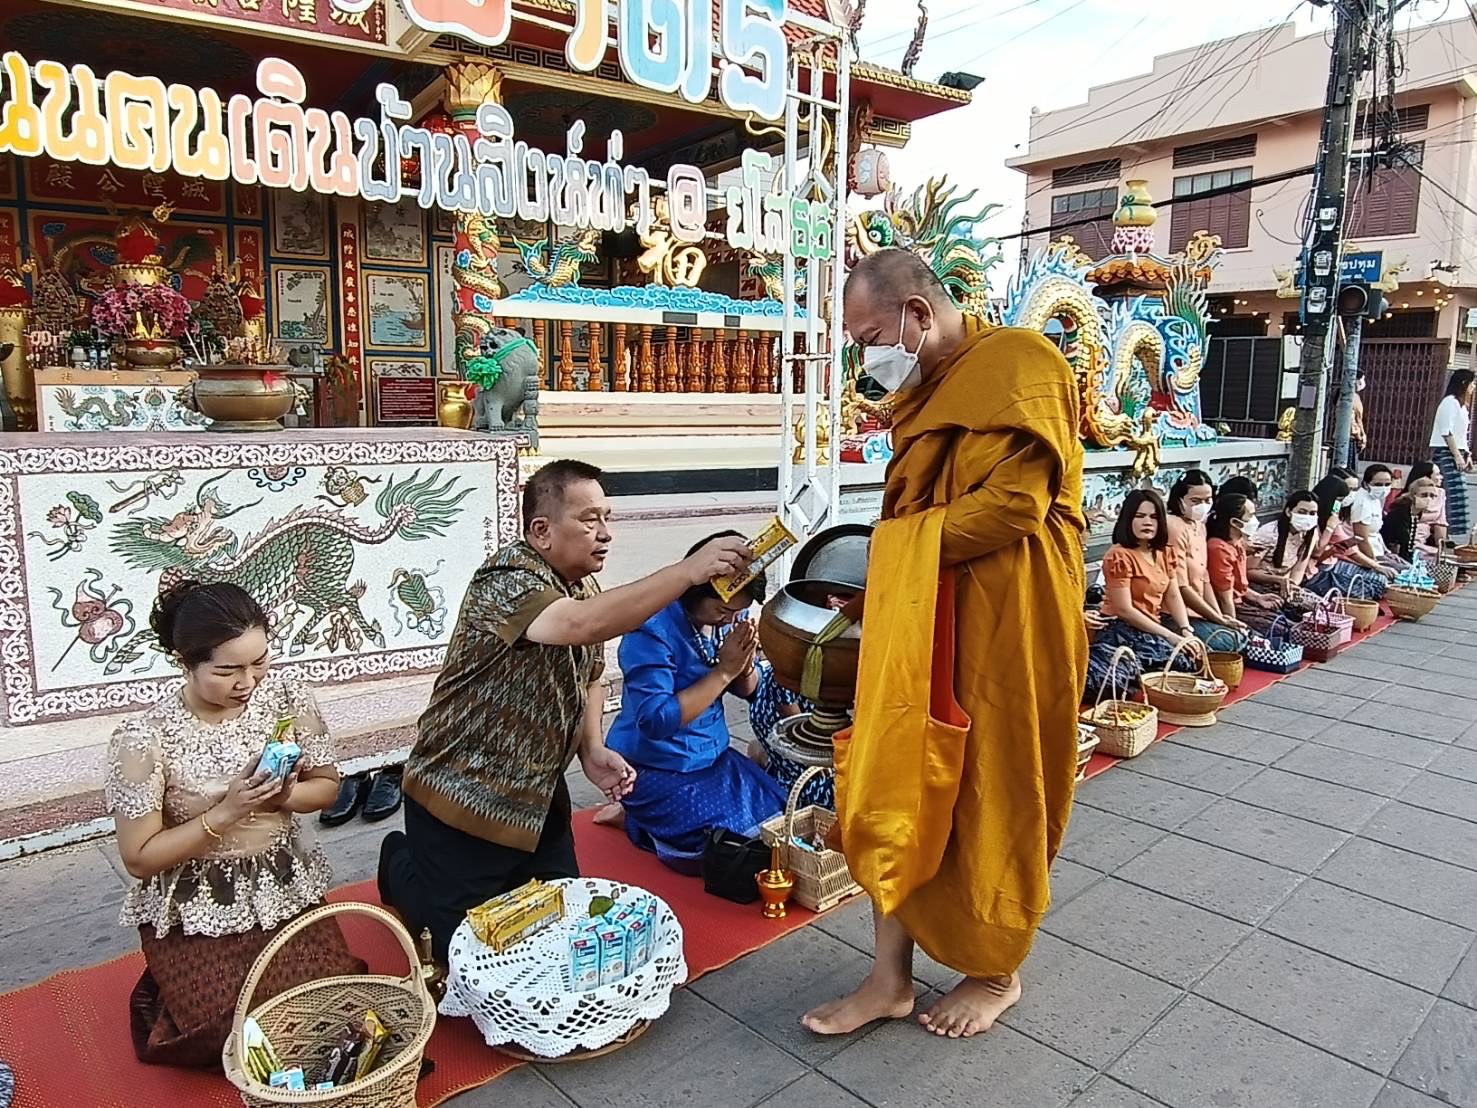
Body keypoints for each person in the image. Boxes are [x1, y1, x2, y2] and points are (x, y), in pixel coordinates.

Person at [803, 248, 1087, 1039]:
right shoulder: (923, 392)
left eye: (869, 336)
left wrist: (890, 557)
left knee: (992, 784)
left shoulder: (1020, 365)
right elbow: (917, 511)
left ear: (917, 316)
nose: (867, 356)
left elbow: (1010, 512)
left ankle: (994, 971)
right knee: (898, 773)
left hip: (1007, 624)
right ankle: (888, 979)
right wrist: (877, 580)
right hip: (924, 616)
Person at [379, 460, 750, 961]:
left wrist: (592, 749)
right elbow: (581, 627)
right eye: (589, 519)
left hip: (534, 794)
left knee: (560, 928)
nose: (605, 534)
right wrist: (687, 572)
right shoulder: (505, 580)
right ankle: (399, 865)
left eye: (608, 518)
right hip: (460, 791)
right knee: (461, 951)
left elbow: (590, 672)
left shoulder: (581, 586)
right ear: (541, 531)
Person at [106, 581, 363, 1068]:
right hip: (201, 904)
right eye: (227, 671)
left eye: (259, 661)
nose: (249, 681)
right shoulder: (144, 739)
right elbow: (139, 857)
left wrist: (285, 794)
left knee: (329, 1019)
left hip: (282, 886)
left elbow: (326, 787)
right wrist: (226, 813)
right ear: (185, 660)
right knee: (240, 1038)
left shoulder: (284, 696)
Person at [603, 534, 785, 862]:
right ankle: (637, 820)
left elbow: (751, 690)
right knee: (724, 849)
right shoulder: (650, 628)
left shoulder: (731, 617)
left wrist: (742, 667)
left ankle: (639, 818)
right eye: (722, 610)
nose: (730, 620)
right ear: (693, 590)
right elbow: (655, 721)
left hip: (711, 757)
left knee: (777, 819)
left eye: (737, 613)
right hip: (655, 764)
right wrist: (723, 673)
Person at [1087, 490, 1206, 690]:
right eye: (1140, 516)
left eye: (1154, 517)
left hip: (1153, 627)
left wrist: (1186, 630)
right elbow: (1124, 610)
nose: (1148, 523)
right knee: (1114, 681)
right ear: (1127, 520)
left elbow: (1173, 594)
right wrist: (1170, 635)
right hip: (1119, 629)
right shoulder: (1118, 555)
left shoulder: (1164, 552)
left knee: (1190, 658)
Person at [1165, 469, 1244, 641]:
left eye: (1207, 500)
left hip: (1199, 611)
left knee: (1240, 636)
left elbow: (1204, 577)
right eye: (1195, 501)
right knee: (1231, 641)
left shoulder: (1200, 525)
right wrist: (1216, 618)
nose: (1202, 505)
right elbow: (1181, 586)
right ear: (1179, 500)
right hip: (1175, 614)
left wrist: (1221, 617)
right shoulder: (1173, 526)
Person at [1304, 474, 1392, 599]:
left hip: (1332, 563)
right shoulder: (1312, 519)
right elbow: (1317, 553)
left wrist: (1376, 565)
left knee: (1380, 581)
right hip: (1318, 569)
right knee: (1371, 588)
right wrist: (1329, 528)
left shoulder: (1334, 514)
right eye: (1339, 499)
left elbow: (1349, 548)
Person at [1206, 492, 1283, 625]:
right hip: (1230, 609)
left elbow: (1238, 586)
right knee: (1277, 629)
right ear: (1235, 522)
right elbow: (1226, 598)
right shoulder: (1218, 548)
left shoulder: (1238, 542)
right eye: (1251, 515)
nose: (1255, 520)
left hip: (1241, 602)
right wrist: (1234, 626)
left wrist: (1258, 597)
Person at [1246, 490, 1320, 596]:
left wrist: (1293, 587)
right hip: (1258, 587)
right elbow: (1247, 570)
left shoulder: (1311, 535)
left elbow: (1299, 570)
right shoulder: (1269, 534)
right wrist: (1276, 580)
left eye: (1312, 513)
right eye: (1302, 512)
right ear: (1289, 512)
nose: (1307, 517)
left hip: (1283, 585)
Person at [1430, 369, 1474, 541]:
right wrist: (1456, 455)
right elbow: (1446, 432)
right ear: (1464, 383)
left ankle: (1448, 536)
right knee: (1448, 494)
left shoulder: (1462, 405)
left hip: (1459, 451)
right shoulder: (1449, 402)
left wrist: (1466, 454)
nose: (1473, 387)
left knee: (1458, 498)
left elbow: (1461, 434)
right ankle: (1441, 536)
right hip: (1446, 452)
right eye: (1471, 383)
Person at [1348, 464, 1407, 571]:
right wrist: (1375, 564)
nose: (1383, 488)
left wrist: (1387, 552)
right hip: (1369, 555)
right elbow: (1361, 539)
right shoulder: (1362, 503)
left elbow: (1375, 532)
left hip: (1379, 551)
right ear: (1366, 484)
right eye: (1378, 484)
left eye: (1387, 484)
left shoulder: (1375, 499)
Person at [1392, 461, 1451, 555]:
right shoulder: (1404, 503)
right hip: (1409, 541)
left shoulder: (1440, 493)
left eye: (1431, 495)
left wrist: (1442, 549)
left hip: (1425, 540)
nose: (1441, 477)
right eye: (1437, 474)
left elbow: (1440, 523)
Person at [1382, 477, 1445, 563]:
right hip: (1388, 552)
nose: (1428, 499)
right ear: (1413, 495)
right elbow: (1404, 543)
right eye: (1424, 495)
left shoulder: (1417, 512)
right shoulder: (1401, 512)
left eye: (1432, 495)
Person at [1350, 373, 1368, 471]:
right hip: (1352, 437)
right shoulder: (1352, 397)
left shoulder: (1350, 395)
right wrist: (1361, 436)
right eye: (1362, 379)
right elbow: (1356, 419)